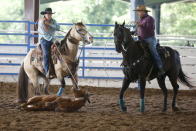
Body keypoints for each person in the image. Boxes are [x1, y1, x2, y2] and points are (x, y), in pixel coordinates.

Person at [134, 5, 165, 76]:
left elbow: (150, 28)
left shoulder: (150, 19)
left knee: (153, 51)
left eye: (139, 11)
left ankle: (161, 68)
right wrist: (135, 32)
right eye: (138, 11)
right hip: (141, 39)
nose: (138, 13)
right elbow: (140, 30)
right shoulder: (141, 20)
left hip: (150, 39)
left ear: (144, 12)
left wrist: (140, 25)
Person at [38, 8, 60, 77]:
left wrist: (50, 25)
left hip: (52, 39)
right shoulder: (41, 22)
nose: (49, 15)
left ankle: (61, 70)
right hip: (44, 40)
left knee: (61, 50)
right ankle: (46, 72)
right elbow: (45, 33)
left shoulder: (53, 21)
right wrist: (53, 27)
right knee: (46, 55)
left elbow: (58, 28)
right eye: (48, 14)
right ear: (45, 14)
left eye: (50, 14)